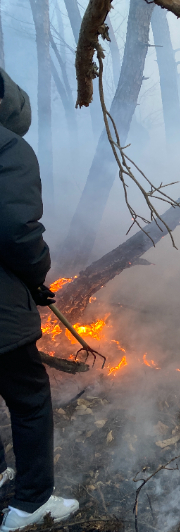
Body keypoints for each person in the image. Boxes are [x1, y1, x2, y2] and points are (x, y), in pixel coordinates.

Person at [0, 68, 78, 530]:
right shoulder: (9, 148)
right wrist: (37, 275)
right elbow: (16, 231)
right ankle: (31, 503)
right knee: (29, 400)